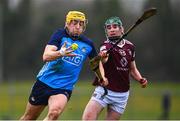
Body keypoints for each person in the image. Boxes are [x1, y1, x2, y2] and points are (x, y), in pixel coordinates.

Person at [20, 10, 108, 120]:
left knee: (54, 113)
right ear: (67, 23)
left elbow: (96, 62)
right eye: (74, 23)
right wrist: (61, 53)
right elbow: (46, 56)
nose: (77, 27)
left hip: (64, 87)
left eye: (81, 24)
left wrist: (102, 76)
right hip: (44, 82)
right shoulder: (59, 35)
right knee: (28, 118)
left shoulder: (88, 44)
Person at [82, 16, 148, 120]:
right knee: (88, 118)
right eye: (108, 27)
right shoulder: (105, 46)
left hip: (122, 94)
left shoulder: (130, 47)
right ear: (106, 31)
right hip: (105, 90)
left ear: (122, 29)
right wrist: (103, 57)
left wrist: (140, 79)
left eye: (115, 26)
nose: (112, 29)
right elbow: (104, 61)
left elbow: (132, 69)